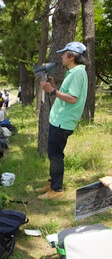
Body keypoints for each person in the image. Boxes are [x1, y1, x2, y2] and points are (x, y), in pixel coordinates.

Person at [37, 41, 88, 200]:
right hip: (59, 119)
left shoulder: (78, 73)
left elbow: (72, 99)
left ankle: (57, 189)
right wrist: (53, 85)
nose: (61, 56)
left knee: (56, 155)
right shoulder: (73, 72)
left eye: (64, 53)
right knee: (53, 154)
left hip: (63, 122)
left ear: (72, 56)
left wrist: (51, 90)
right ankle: (52, 183)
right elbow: (66, 93)